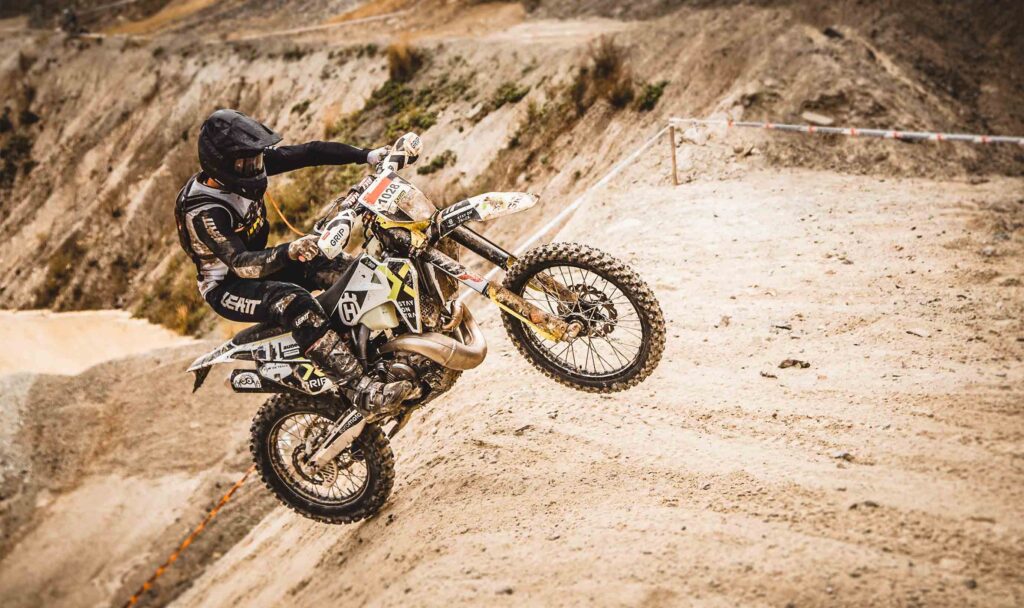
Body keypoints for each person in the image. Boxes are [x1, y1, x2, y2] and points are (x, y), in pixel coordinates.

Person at [175, 109, 412, 411]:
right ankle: (360, 389)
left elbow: (309, 152)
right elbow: (242, 263)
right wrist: (289, 251)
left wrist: (367, 155)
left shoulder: (245, 168)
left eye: (256, 158)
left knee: (339, 266)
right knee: (294, 302)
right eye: (247, 161)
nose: (256, 166)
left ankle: (392, 343)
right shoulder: (204, 211)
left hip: (262, 263)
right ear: (219, 163)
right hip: (228, 287)